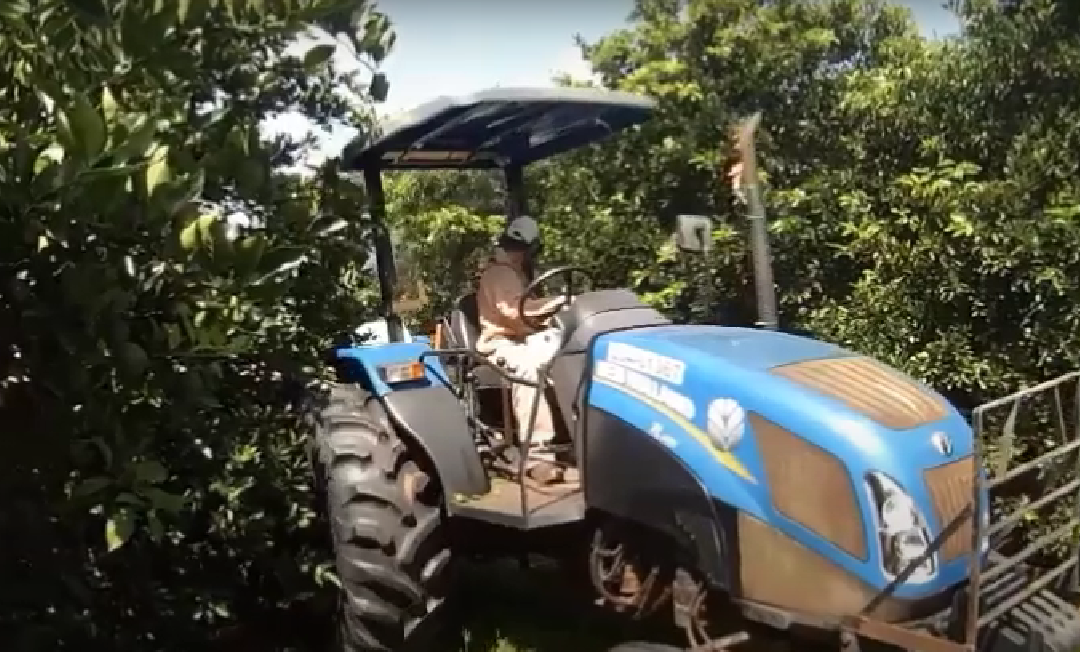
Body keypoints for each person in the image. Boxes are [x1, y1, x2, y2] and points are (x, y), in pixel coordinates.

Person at [475, 215, 568, 484]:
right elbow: (513, 314)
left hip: (528, 338)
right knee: (527, 369)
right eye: (516, 248)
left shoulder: (521, 274)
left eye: (523, 250)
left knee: (574, 352)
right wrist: (557, 302)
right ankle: (538, 457)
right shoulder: (498, 274)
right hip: (501, 343)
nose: (519, 254)